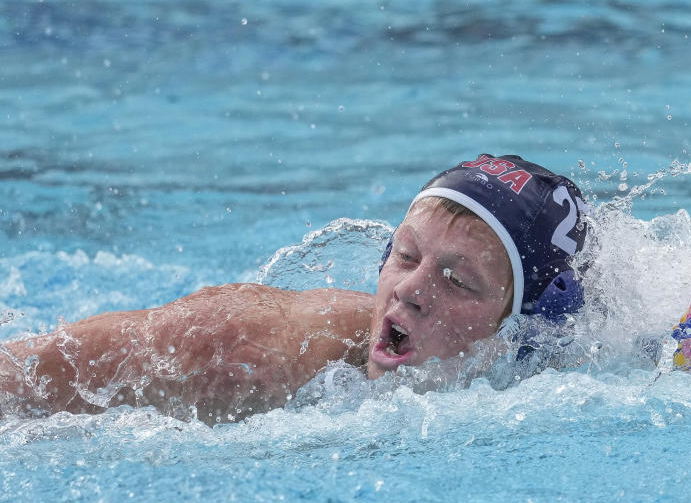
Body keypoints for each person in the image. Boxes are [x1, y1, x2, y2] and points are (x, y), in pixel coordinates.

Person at [0, 154, 590, 423]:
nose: (409, 290)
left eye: (458, 280)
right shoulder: (256, 351)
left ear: (525, 326)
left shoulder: (591, 376)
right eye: (405, 255)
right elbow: (19, 374)